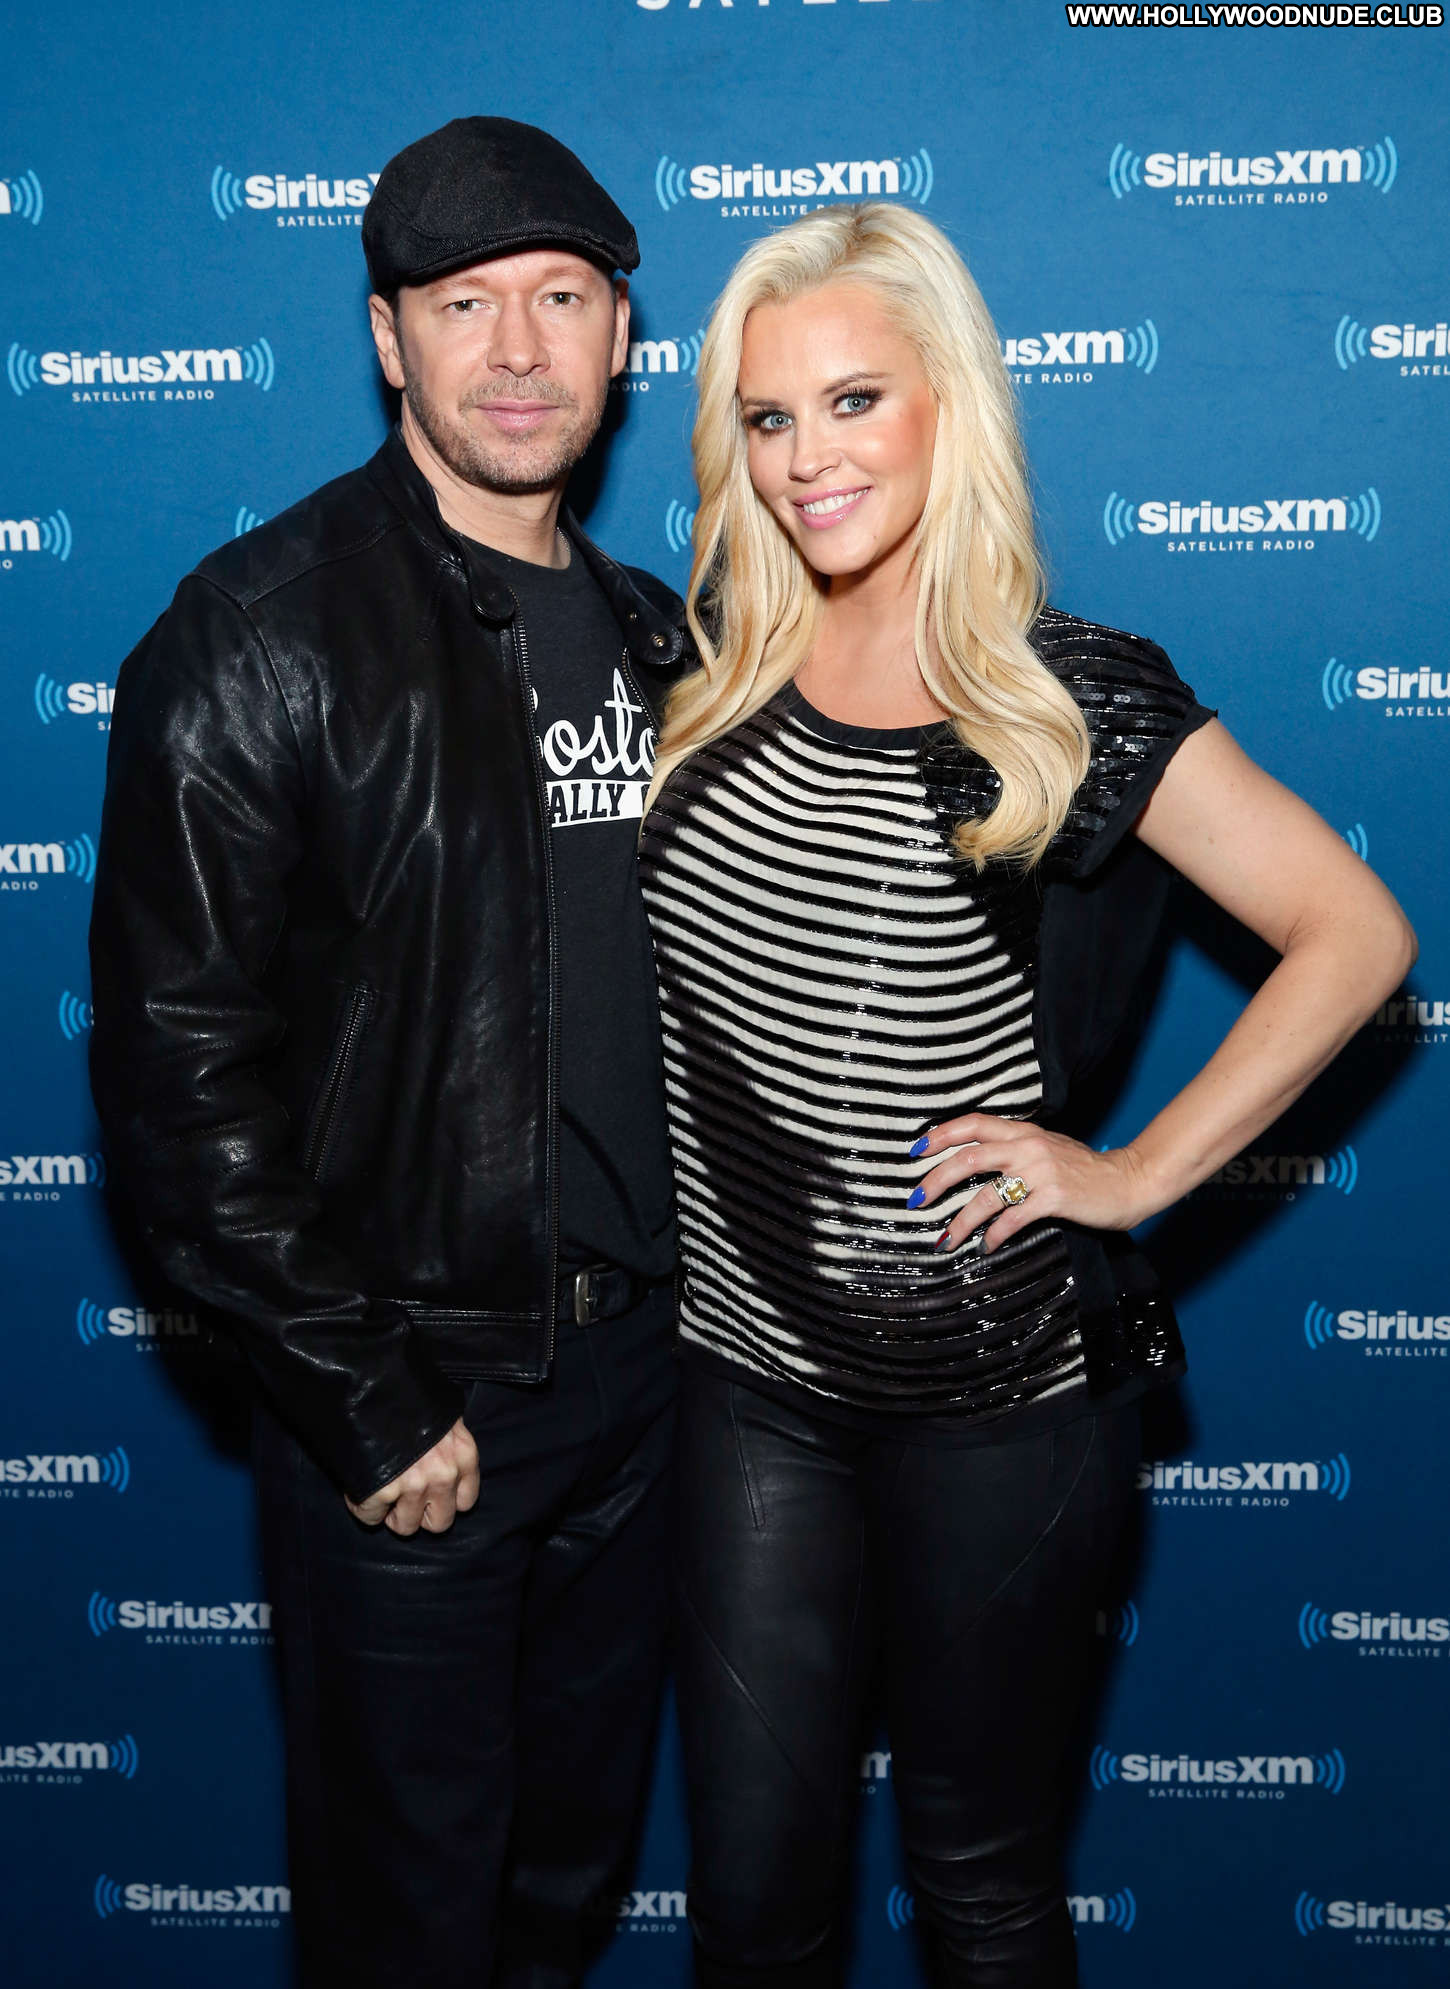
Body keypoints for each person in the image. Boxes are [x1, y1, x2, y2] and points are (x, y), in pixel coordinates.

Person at [636, 202, 1415, 1988]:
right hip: (748, 1384)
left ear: (949, 403)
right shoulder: (709, 668)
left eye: (852, 401)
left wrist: (1131, 1172)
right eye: (768, 418)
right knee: (752, 1902)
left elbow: (1355, 933)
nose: (808, 458)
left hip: (997, 1399)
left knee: (981, 1884)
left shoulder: (1067, 696)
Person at [89, 117, 686, 1989]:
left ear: (621, 338)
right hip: (425, 1398)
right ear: (386, 337)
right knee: (405, 1924)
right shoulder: (259, 632)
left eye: (560, 299)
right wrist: (364, 1394)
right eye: (462, 303)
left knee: (566, 1885)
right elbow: (176, 1071)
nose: (515, 349)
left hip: (652, 1385)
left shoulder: (672, 640)